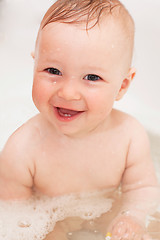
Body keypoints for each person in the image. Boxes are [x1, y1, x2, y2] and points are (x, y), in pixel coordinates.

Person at [0, 0, 159, 238]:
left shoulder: (129, 135)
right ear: (34, 65)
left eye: (92, 77)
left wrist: (132, 216)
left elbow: (142, 188)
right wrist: (46, 231)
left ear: (122, 86)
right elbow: (13, 212)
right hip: (50, 223)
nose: (67, 93)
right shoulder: (22, 149)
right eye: (53, 71)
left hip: (112, 213)